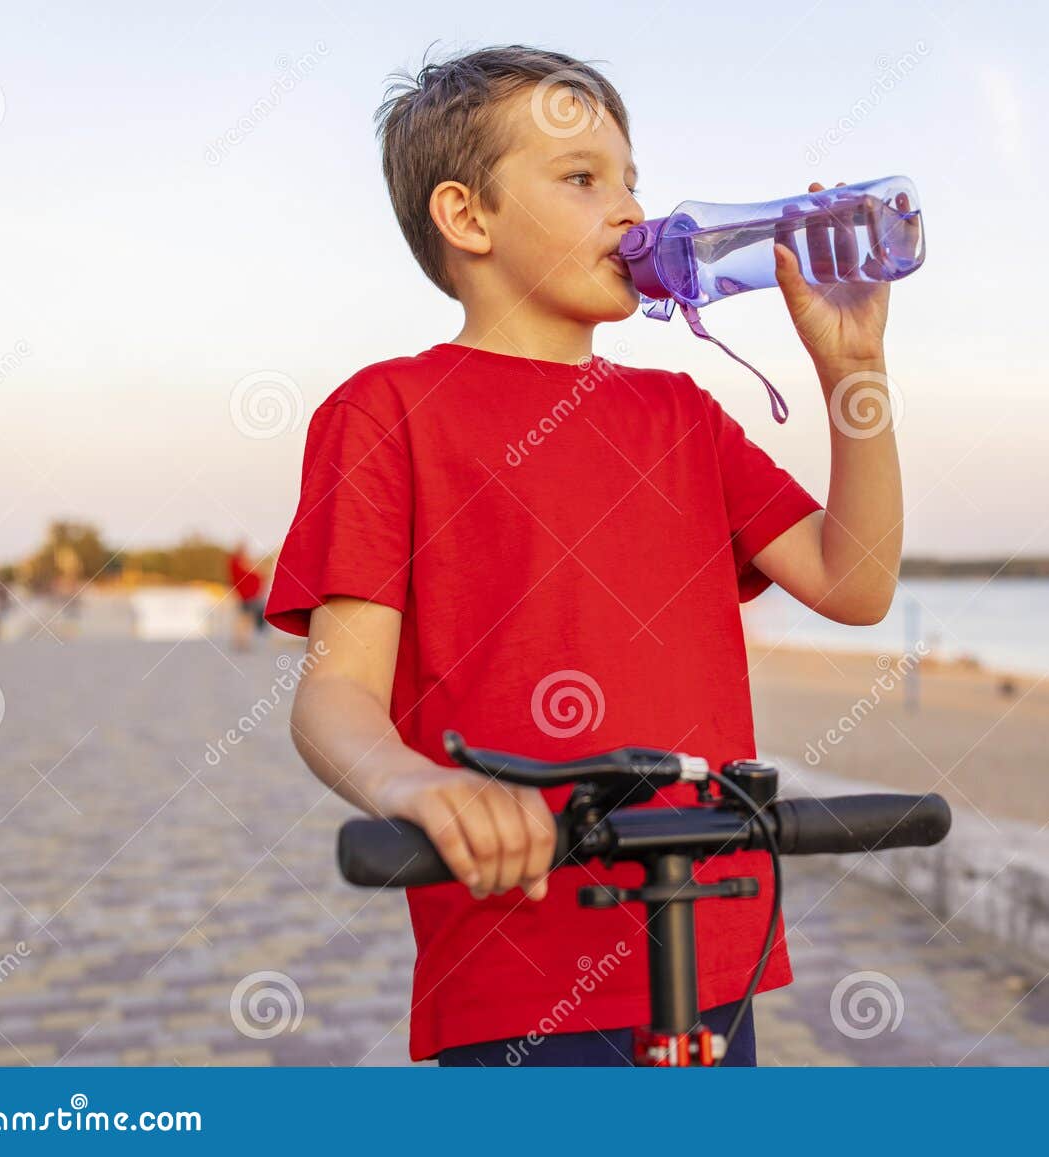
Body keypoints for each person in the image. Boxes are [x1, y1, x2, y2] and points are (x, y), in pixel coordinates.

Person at [266, 45, 902, 1067]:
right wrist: (414, 786)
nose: (631, 212)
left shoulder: (679, 415)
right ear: (467, 217)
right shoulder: (385, 412)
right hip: (516, 955)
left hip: (706, 921)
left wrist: (855, 374)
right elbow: (334, 692)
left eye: (631, 180)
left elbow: (855, 580)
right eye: (581, 179)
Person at [226, 542, 266, 652]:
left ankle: (242, 641)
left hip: (247, 596)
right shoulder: (237, 562)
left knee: (245, 619)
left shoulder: (236, 562)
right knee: (245, 619)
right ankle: (242, 641)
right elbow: (252, 572)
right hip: (246, 596)